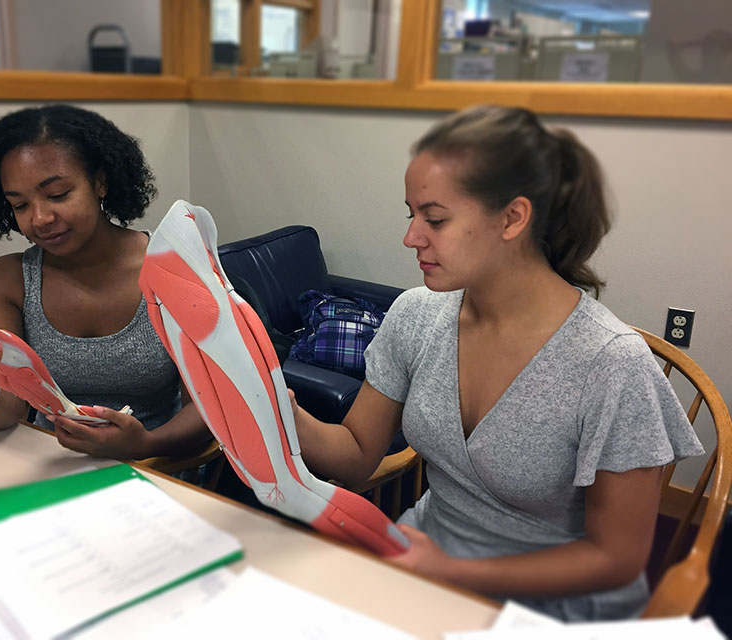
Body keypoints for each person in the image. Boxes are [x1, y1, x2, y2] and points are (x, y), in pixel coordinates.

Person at [291, 105, 704, 621]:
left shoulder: (610, 365)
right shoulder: (416, 316)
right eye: (411, 214)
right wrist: (283, 411)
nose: (411, 237)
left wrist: (453, 572)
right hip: (426, 564)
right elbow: (355, 455)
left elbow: (615, 560)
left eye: (435, 218)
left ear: (513, 217)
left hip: (552, 604)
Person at [0, 104, 211, 461]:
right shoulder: (8, 281)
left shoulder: (174, 267)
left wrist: (144, 446)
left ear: (100, 181)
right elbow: (8, 415)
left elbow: (211, 406)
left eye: (58, 194)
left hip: (161, 468)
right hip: (50, 468)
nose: (40, 218)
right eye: (19, 205)